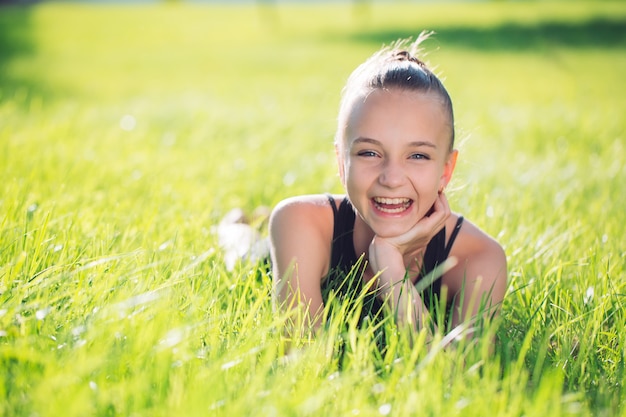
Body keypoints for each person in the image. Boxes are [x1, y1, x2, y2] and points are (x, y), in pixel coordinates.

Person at [269, 33, 507, 343]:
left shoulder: (480, 258)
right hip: (269, 251)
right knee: (239, 247)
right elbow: (300, 354)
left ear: (446, 170)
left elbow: (458, 377)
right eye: (369, 152)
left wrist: (391, 270)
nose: (392, 178)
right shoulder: (298, 221)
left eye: (417, 155)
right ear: (341, 162)